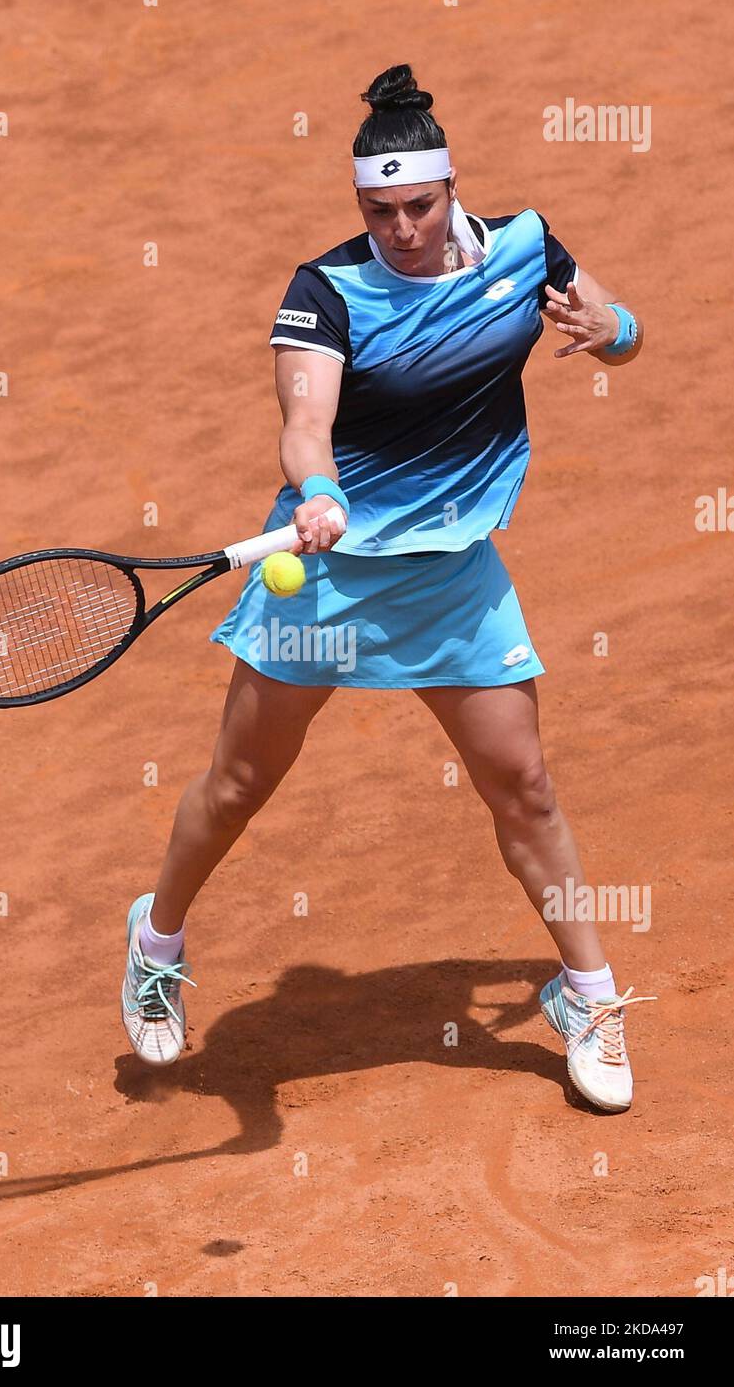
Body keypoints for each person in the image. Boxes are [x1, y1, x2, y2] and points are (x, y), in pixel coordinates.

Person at [121, 63, 653, 1113]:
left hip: (454, 580)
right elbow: (303, 420)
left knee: (527, 789)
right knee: (237, 786)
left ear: (454, 189)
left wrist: (614, 334)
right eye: (379, 209)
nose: (401, 227)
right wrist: (315, 489)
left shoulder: (523, 248)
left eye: (419, 205)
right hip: (327, 586)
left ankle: (584, 992)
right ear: (357, 202)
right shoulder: (325, 293)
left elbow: (619, 327)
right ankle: (155, 939)